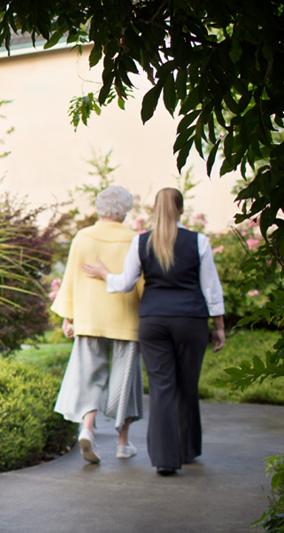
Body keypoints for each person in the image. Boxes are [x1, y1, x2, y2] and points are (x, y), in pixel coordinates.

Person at [83, 187, 225, 476]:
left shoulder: (141, 242)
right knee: (187, 386)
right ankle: (187, 450)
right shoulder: (199, 242)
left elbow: (124, 283)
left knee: (162, 389)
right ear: (182, 210)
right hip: (190, 321)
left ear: (155, 210)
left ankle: (164, 459)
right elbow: (211, 289)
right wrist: (219, 326)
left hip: (153, 322)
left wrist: (103, 274)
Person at [51, 185, 144, 464]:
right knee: (125, 382)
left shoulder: (83, 237)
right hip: (126, 319)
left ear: (99, 208)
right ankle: (122, 442)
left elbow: (70, 280)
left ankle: (88, 428)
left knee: (90, 377)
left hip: (90, 318)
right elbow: (141, 283)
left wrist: (69, 317)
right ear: (125, 211)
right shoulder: (135, 240)